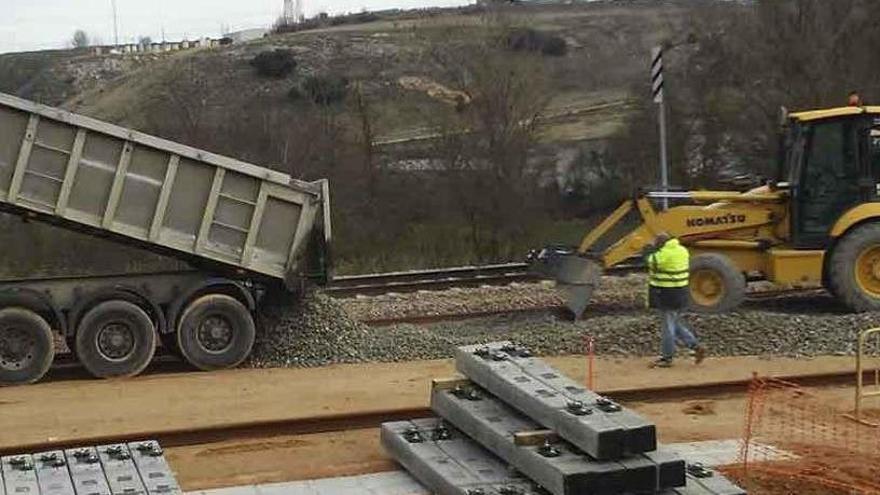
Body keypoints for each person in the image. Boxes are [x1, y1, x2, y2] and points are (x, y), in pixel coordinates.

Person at [645, 232, 706, 368]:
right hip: (681, 292)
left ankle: (667, 358)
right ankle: (695, 346)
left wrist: (649, 249)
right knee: (675, 323)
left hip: (667, 294)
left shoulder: (663, 254)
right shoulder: (682, 250)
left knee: (668, 327)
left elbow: (650, 262)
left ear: (661, 244)